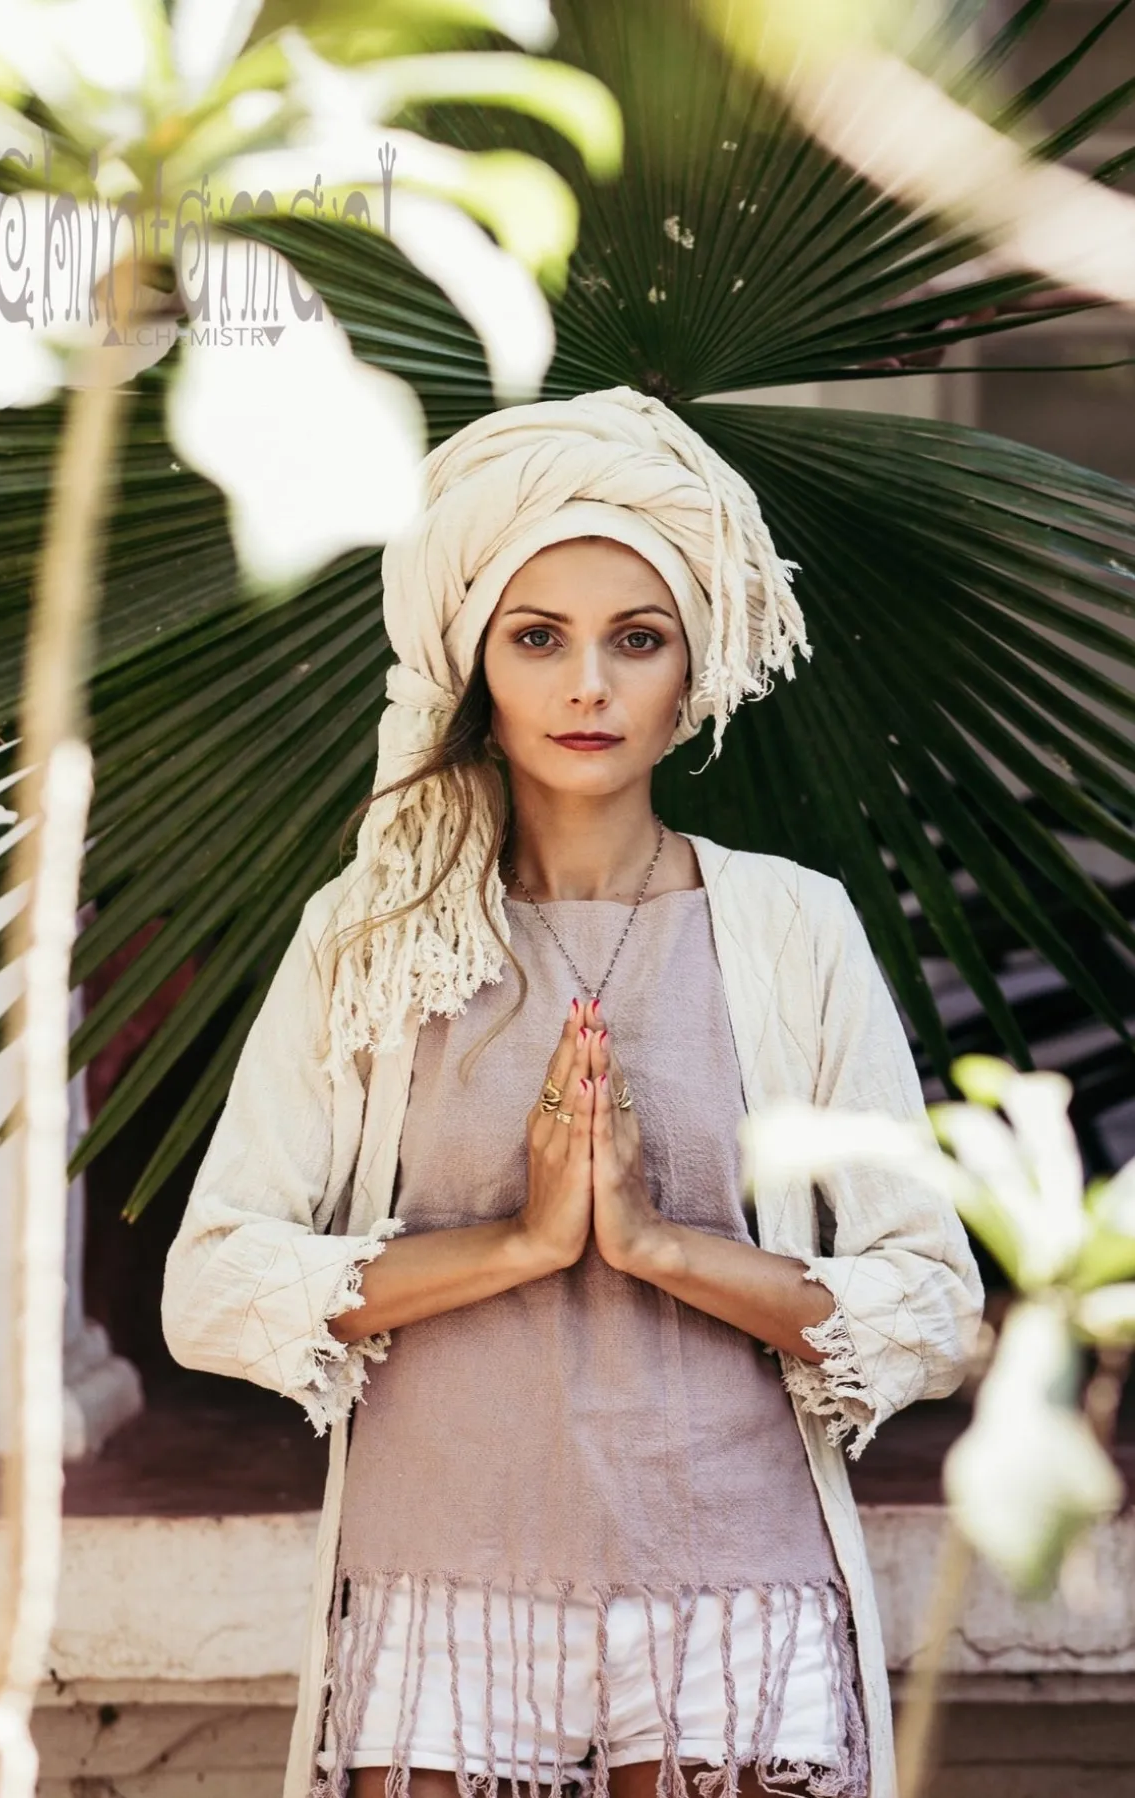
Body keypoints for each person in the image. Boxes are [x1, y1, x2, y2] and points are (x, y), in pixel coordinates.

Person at [161, 385, 983, 1798]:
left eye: (636, 639)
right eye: (540, 637)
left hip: (733, 1594)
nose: (588, 685)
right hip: (439, 1587)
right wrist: (522, 1247)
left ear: (692, 669)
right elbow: (216, 1281)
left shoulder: (792, 925)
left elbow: (934, 1296)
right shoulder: (372, 939)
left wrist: (660, 1245)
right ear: (478, 662)